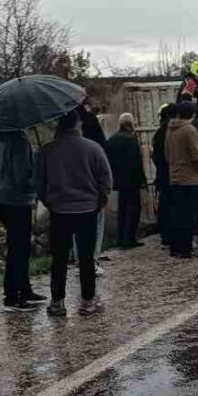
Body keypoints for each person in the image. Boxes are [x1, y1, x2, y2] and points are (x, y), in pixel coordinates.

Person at [34, 109, 113, 317]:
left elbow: (38, 183)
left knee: (59, 258)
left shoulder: (46, 151)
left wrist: (49, 201)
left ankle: (57, 302)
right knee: (86, 258)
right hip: (87, 210)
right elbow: (106, 181)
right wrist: (98, 202)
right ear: (78, 124)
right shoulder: (93, 148)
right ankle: (88, 301)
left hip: (59, 211)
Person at [0, 130, 44, 312]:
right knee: (19, 248)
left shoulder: (2, 139)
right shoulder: (20, 140)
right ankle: (13, 297)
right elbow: (23, 176)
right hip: (17, 200)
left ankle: (24, 289)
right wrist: (37, 178)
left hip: (1, 199)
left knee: (17, 246)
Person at [165, 100, 198, 259]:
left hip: (175, 176)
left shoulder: (170, 129)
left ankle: (176, 247)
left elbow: (166, 154)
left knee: (178, 213)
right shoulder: (189, 130)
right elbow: (196, 155)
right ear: (193, 114)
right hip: (191, 178)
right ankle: (186, 249)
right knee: (190, 216)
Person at [104, 113, 147, 248]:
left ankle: (121, 238)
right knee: (133, 209)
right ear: (131, 124)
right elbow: (137, 162)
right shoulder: (131, 140)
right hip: (132, 180)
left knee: (122, 209)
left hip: (118, 180)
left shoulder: (111, 140)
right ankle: (130, 238)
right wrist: (142, 180)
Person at [78, 100, 110, 273]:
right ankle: (92, 260)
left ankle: (78, 260)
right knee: (95, 224)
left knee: (74, 227)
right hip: (91, 181)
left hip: (70, 185)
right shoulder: (90, 121)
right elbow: (101, 148)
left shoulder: (63, 126)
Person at [152, 103, 175, 248]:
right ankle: (171, 235)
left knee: (164, 205)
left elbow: (155, 155)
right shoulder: (171, 130)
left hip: (162, 174)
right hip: (171, 173)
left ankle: (165, 235)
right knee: (173, 205)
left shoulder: (159, 131)